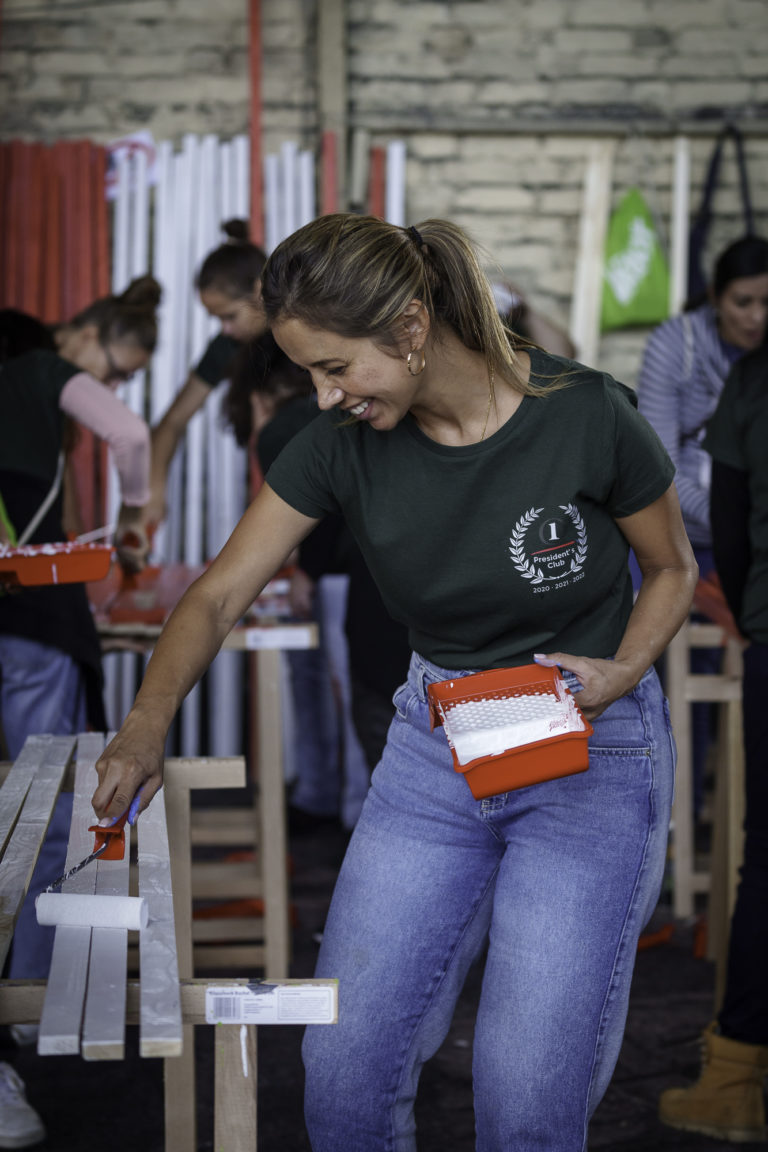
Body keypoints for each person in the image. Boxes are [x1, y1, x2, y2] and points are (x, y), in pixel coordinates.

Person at [92, 214, 697, 1152]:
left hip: (590, 748)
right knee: (342, 1074)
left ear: (411, 330)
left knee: (525, 1101)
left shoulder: (583, 412)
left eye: (337, 368)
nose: (325, 396)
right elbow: (215, 598)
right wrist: (144, 723)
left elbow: (671, 569)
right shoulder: (336, 443)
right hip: (435, 745)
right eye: (309, 374)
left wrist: (623, 670)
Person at [0, 277, 159, 1149]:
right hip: (28, 623)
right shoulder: (36, 370)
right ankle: (32, 1001)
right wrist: (133, 513)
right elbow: (131, 434)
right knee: (46, 799)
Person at [658, 344, 768, 1142]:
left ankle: (736, 1079)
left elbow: (727, 520)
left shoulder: (757, 375)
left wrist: (747, 607)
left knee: (766, 862)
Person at [636, 234, 768, 812]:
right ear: (715, 298)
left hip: (753, 537)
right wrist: (733, 520)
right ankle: (676, 826)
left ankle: (726, 818)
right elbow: (658, 463)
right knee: (674, 689)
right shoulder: (679, 346)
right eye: (743, 302)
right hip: (686, 537)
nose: (757, 317)